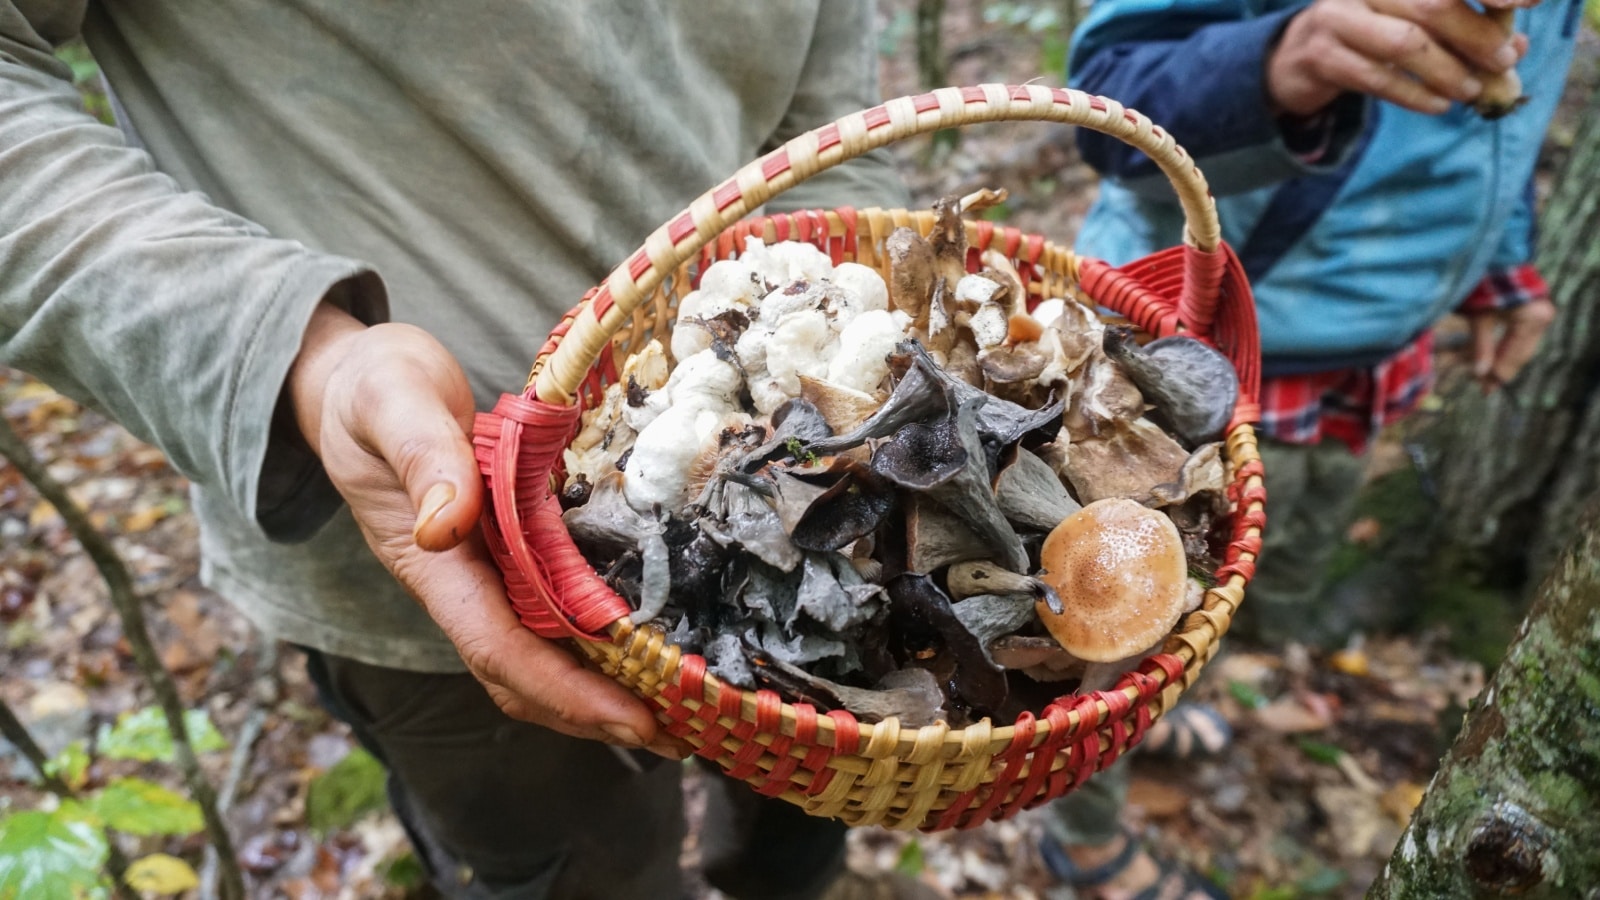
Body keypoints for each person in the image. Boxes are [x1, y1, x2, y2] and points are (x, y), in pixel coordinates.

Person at [1, 4, 945, 898]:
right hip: (419, 559)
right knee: (577, 871)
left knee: (796, 831)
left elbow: (832, 133)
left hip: (831, 535)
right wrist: (300, 357)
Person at [1036, 0, 1574, 894]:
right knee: (1096, 631)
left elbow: (1499, 138)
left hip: (1360, 366)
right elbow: (1108, 100)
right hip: (1193, 355)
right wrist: (1279, 61)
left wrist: (1500, 270)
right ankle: (1083, 839)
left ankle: (1163, 704)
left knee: (1220, 601)